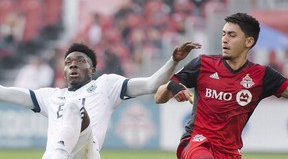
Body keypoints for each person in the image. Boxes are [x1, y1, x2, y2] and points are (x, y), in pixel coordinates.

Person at [0, 41, 201, 159]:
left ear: (93, 70)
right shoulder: (51, 96)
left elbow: (150, 85)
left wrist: (174, 60)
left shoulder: (106, 85)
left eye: (80, 61)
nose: (73, 65)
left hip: (87, 152)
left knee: (73, 108)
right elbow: (6, 93)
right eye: (68, 62)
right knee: (70, 107)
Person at [154, 13, 288, 159]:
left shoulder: (262, 75)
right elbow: (159, 97)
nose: (225, 39)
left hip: (229, 152)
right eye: (223, 34)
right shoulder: (203, 64)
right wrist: (173, 87)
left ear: (248, 42)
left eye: (232, 35)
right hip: (197, 143)